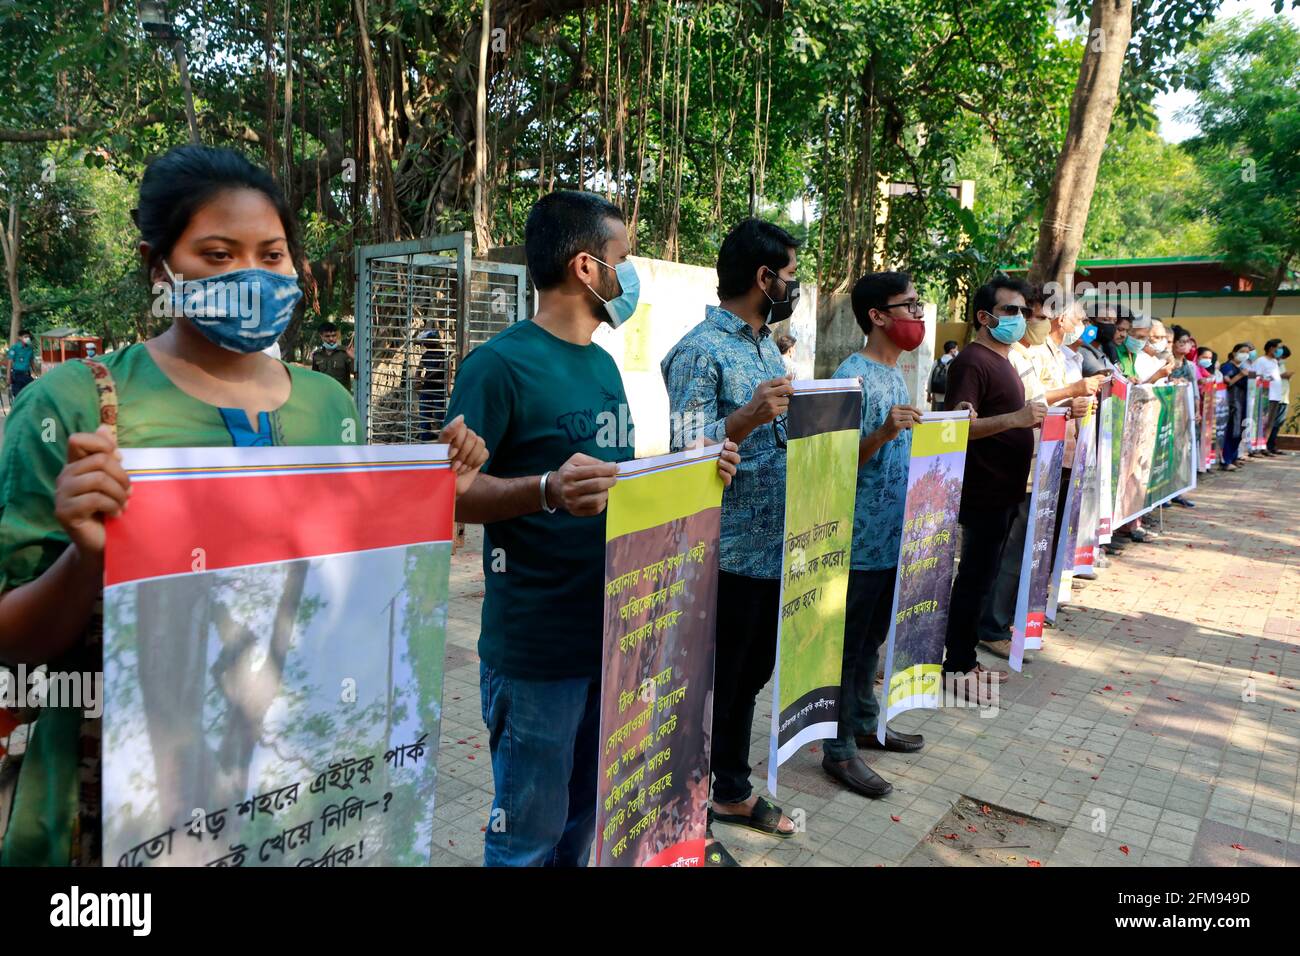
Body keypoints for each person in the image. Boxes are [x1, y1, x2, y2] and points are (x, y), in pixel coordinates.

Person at [0, 145, 490, 866]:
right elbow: (13, 640)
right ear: (157, 266)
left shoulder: (328, 405)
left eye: (272, 254)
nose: (252, 277)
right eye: (218, 254)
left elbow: (354, 586)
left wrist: (428, 492)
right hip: (115, 805)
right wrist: (85, 555)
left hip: (302, 796)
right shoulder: (75, 405)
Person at [447, 189, 738, 868]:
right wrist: (545, 490)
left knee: (583, 821)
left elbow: (614, 481)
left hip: (610, 634)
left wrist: (694, 471)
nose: (627, 274)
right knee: (527, 839)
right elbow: (453, 495)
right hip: (537, 648)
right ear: (586, 267)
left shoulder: (604, 365)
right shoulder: (497, 367)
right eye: (623, 258)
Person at [661, 217, 800, 858]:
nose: (795, 284)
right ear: (762, 277)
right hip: (726, 550)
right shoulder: (700, 350)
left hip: (771, 546)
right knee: (712, 684)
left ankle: (733, 789)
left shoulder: (766, 346)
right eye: (790, 274)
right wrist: (745, 418)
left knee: (748, 676)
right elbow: (687, 453)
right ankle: (690, 819)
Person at [824, 272, 953, 798]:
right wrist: (883, 431)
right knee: (848, 648)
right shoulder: (850, 376)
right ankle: (837, 751)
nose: (918, 315)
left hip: (892, 537)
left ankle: (864, 722)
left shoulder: (897, 373)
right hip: (858, 542)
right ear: (877, 316)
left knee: (873, 640)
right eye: (909, 305)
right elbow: (835, 463)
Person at [941, 275, 1046, 701]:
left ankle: (965, 657)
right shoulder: (972, 362)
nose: (1019, 318)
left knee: (982, 580)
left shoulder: (1004, 360)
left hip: (1005, 490)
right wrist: (1017, 420)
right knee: (973, 580)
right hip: (981, 492)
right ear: (984, 317)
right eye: (1010, 310)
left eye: (1023, 311)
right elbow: (958, 428)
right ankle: (957, 666)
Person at [976, 292, 1096, 660]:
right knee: (1005, 552)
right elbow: (1024, 407)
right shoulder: (996, 357)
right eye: (1017, 312)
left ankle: (1002, 619)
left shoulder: (1030, 353)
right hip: (1014, 467)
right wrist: (1071, 394)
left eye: (1029, 312)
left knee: (1020, 550)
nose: (1029, 319)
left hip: (1039, 462)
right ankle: (991, 626)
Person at [1218, 342, 1254, 472]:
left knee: (1240, 430)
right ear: (1234, 353)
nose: (1245, 354)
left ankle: (1233, 458)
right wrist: (1241, 375)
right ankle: (1226, 460)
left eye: (1247, 352)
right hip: (1232, 402)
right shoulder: (1227, 366)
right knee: (1232, 430)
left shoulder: (1243, 367)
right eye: (1242, 351)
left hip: (1242, 401)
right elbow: (1227, 382)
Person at [1253, 339, 1292, 455]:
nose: (1280, 350)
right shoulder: (1261, 361)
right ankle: (1255, 447)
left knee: (1270, 423)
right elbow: (1257, 377)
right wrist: (1270, 379)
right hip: (1266, 395)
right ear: (1271, 348)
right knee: (1262, 423)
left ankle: (1264, 446)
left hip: (1276, 395)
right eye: (1278, 348)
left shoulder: (1274, 361)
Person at [310, 321, 353, 392]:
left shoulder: (345, 353)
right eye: (327, 336)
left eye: (334, 335)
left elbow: (355, 372)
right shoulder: (317, 355)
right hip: (324, 395)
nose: (331, 339)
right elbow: (315, 377)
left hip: (341, 395)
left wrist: (353, 358)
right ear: (321, 336)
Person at [928, 339, 959, 410]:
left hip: (937, 395)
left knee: (939, 415)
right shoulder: (955, 362)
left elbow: (930, 378)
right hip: (951, 396)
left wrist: (929, 394)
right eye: (956, 349)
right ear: (952, 350)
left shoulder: (937, 361)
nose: (957, 351)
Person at [5, 330, 36, 398]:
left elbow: (32, 362)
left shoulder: (30, 348)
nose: (27, 338)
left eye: (28, 337)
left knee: (32, 393)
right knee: (18, 395)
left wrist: (36, 374)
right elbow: (9, 363)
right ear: (20, 337)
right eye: (25, 337)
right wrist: (8, 377)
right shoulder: (14, 348)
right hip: (17, 375)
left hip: (27, 375)